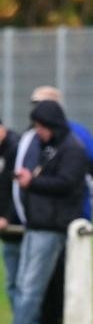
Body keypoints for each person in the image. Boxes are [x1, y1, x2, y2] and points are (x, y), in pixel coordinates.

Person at [1, 100, 87, 324]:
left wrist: (32, 183)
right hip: (35, 225)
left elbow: (67, 183)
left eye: (41, 126)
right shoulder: (48, 147)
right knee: (21, 283)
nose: (38, 131)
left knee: (30, 286)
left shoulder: (72, 149)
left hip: (52, 227)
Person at [0, 119, 21, 310]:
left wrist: (7, 216)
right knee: (12, 284)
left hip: (17, 226)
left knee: (20, 283)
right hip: (7, 231)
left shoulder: (15, 148)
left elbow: (16, 190)